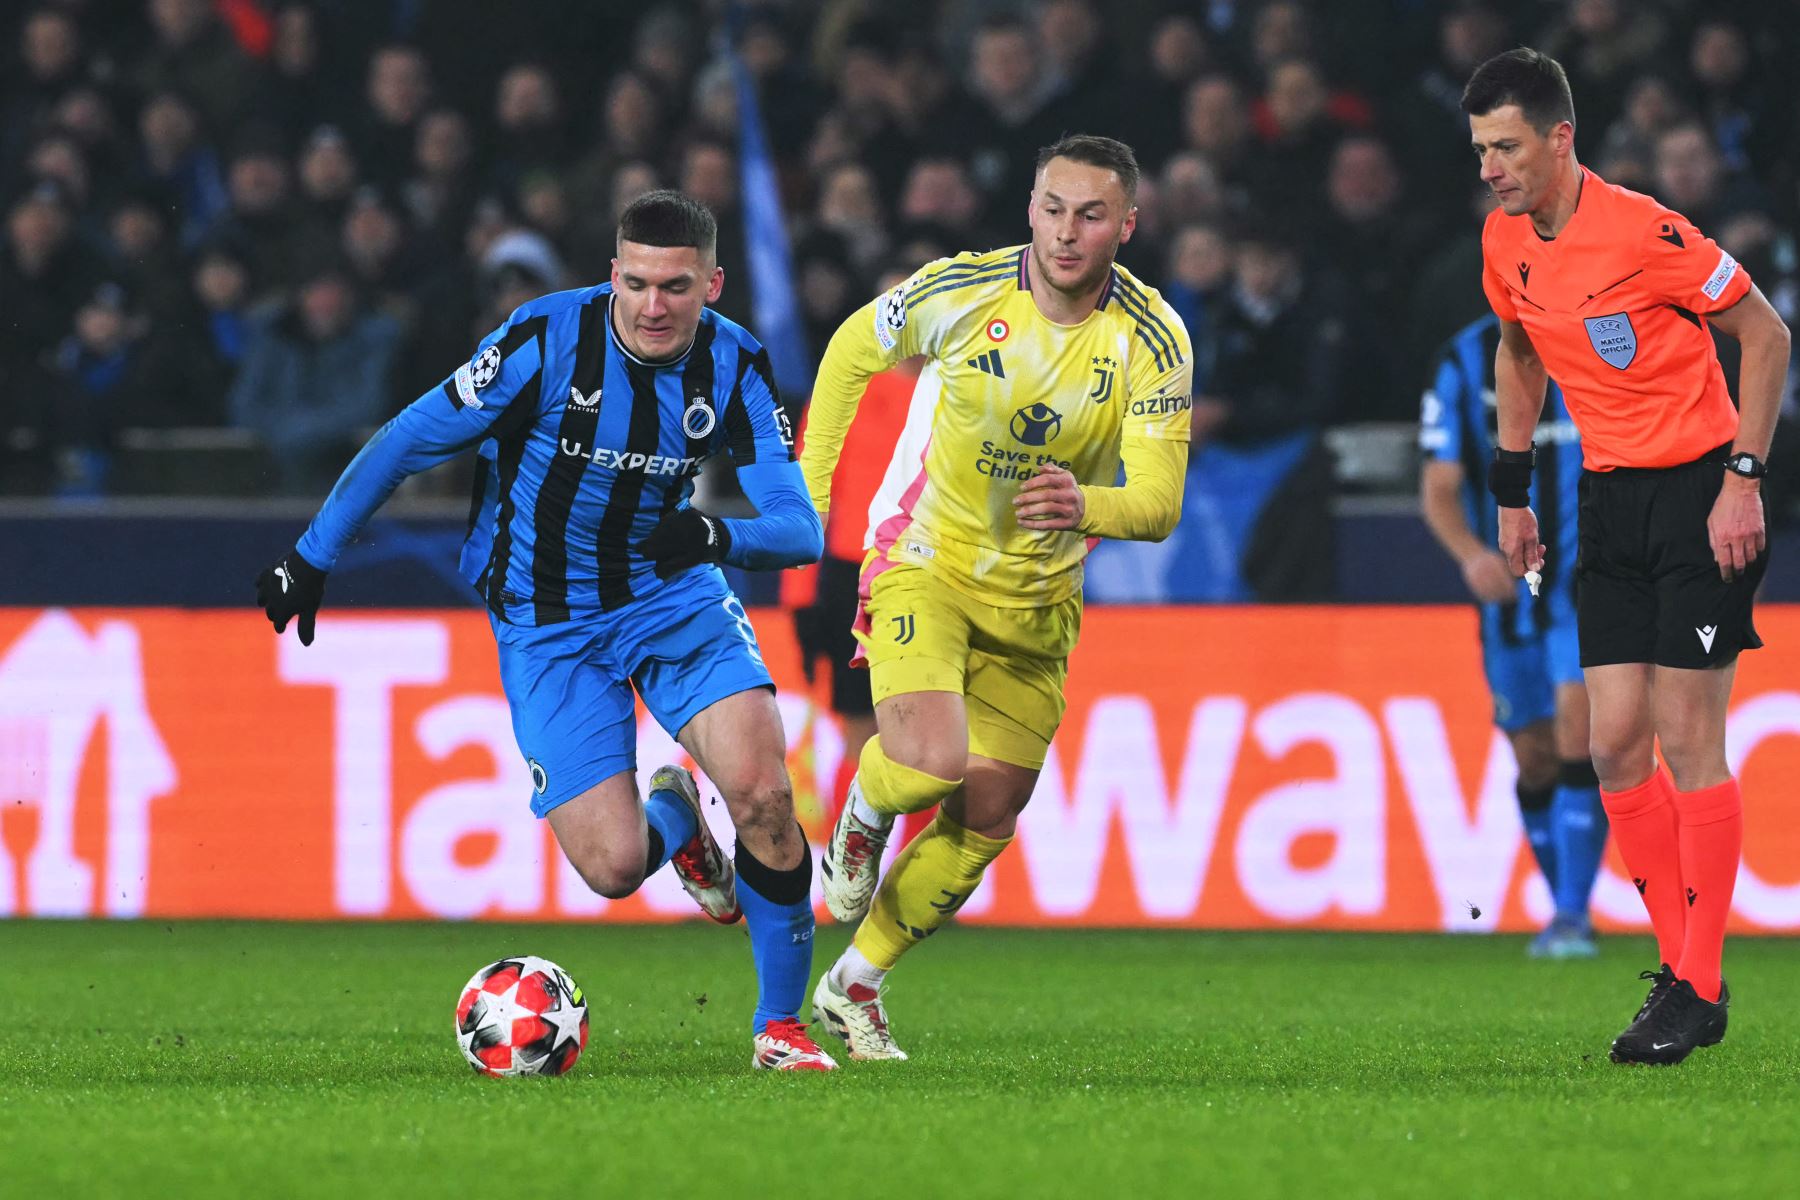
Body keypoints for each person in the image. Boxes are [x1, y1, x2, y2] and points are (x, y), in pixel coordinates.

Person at [254, 190, 837, 1071]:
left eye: (676, 286)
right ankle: (675, 815)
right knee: (609, 867)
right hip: (547, 623)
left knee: (762, 794)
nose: (653, 305)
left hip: (673, 598)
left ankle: (780, 1029)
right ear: (612, 276)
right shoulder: (542, 342)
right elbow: (411, 437)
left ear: (711, 285)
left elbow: (801, 529)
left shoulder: (737, 365)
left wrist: (719, 535)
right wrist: (313, 556)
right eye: (636, 283)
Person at [798, 135, 1192, 1060]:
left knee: (988, 816)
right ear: (1029, 207)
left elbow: (1160, 502)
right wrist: (808, 497)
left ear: (1125, 227)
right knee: (930, 763)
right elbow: (855, 346)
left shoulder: (1155, 338)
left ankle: (855, 985)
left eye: (1091, 215)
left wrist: (1085, 502)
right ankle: (864, 811)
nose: (1067, 232)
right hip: (924, 562)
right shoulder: (959, 291)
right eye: (1053, 207)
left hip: (1039, 603)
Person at [1464, 49, 1790, 1064]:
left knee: (1690, 736)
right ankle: (1690, 974)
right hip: (1606, 503)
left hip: (1700, 496)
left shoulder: (1644, 230)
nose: (1491, 168)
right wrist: (1514, 495)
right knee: (1611, 747)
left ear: (1561, 138)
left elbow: (1766, 334)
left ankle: (1691, 985)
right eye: (1480, 150)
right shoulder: (1504, 238)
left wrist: (1745, 476)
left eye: (1507, 147)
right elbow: (1518, 349)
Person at [1419, 312, 1607, 958]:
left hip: (1589, 583)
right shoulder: (1463, 361)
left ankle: (1573, 917)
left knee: (1577, 734)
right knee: (1534, 756)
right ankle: (1564, 910)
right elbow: (1440, 485)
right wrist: (1471, 553)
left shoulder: (1601, 336)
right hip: (1510, 596)